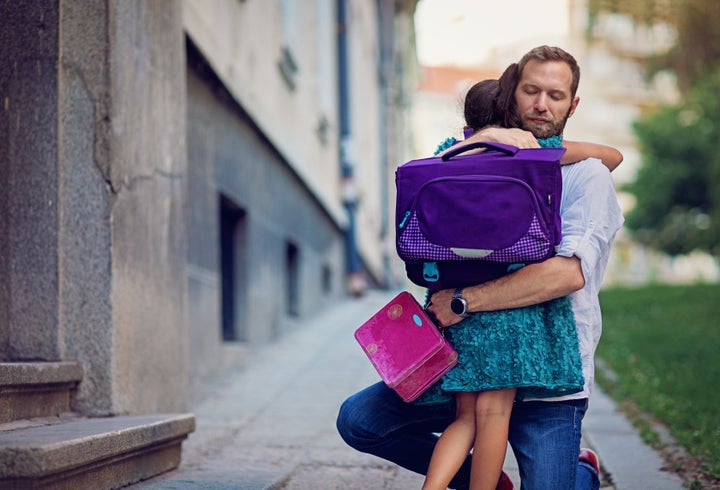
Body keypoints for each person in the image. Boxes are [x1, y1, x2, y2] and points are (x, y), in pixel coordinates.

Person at [336, 45, 624, 490]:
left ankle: (581, 470)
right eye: (530, 91)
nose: (541, 105)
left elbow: (566, 274)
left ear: (573, 103)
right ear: (512, 95)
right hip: (466, 355)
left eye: (556, 95)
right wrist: (484, 142)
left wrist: (462, 301)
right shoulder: (473, 163)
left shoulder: (586, 175)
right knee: (360, 420)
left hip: (550, 381)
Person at [422, 77, 621, 490]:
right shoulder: (527, 153)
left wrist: (481, 137)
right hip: (511, 310)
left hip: (457, 306)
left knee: (464, 419)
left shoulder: (450, 153)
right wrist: (512, 139)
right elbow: (612, 156)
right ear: (514, 116)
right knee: (493, 416)